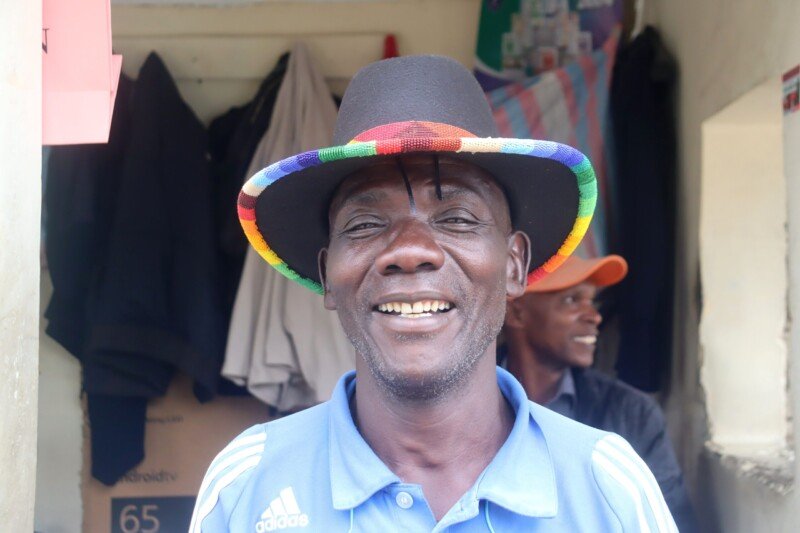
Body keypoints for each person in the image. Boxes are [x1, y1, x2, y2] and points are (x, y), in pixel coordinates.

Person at [190, 55, 677, 532]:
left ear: (514, 265)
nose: (409, 251)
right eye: (364, 224)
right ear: (327, 275)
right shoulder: (247, 491)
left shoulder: (608, 492)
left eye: (458, 218)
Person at [504, 253, 696, 531]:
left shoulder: (632, 414)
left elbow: (672, 520)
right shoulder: (462, 407)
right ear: (516, 312)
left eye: (593, 301)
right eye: (571, 300)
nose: (594, 316)